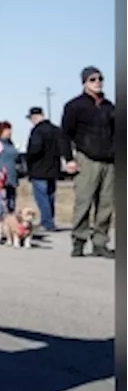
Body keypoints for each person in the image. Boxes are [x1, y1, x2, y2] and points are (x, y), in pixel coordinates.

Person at [60, 66, 115, 258]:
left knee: (106, 204)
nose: (97, 82)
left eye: (100, 78)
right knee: (84, 202)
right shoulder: (74, 106)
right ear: (84, 82)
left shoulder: (109, 106)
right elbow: (65, 135)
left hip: (109, 161)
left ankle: (100, 242)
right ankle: (79, 240)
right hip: (86, 159)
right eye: (92, 79)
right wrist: (69, 159)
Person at [24, 106, 62, 232]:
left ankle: (47, 222)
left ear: (34, 117)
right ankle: (50, 220)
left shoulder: (37, 131)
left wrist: (27, 159)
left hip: (39, 169)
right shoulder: (56, 130)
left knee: (42, 197)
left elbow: (35, 148)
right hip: (53, 168)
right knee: (50, 196)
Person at [0, 121, 21, 217]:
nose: (9, 132)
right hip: (0, 177)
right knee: (1, 200)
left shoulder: (11, 144)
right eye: (6, 130)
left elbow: (16, 159)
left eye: (10, 130)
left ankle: (10, 221)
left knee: (12, 201)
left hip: (12, 176)